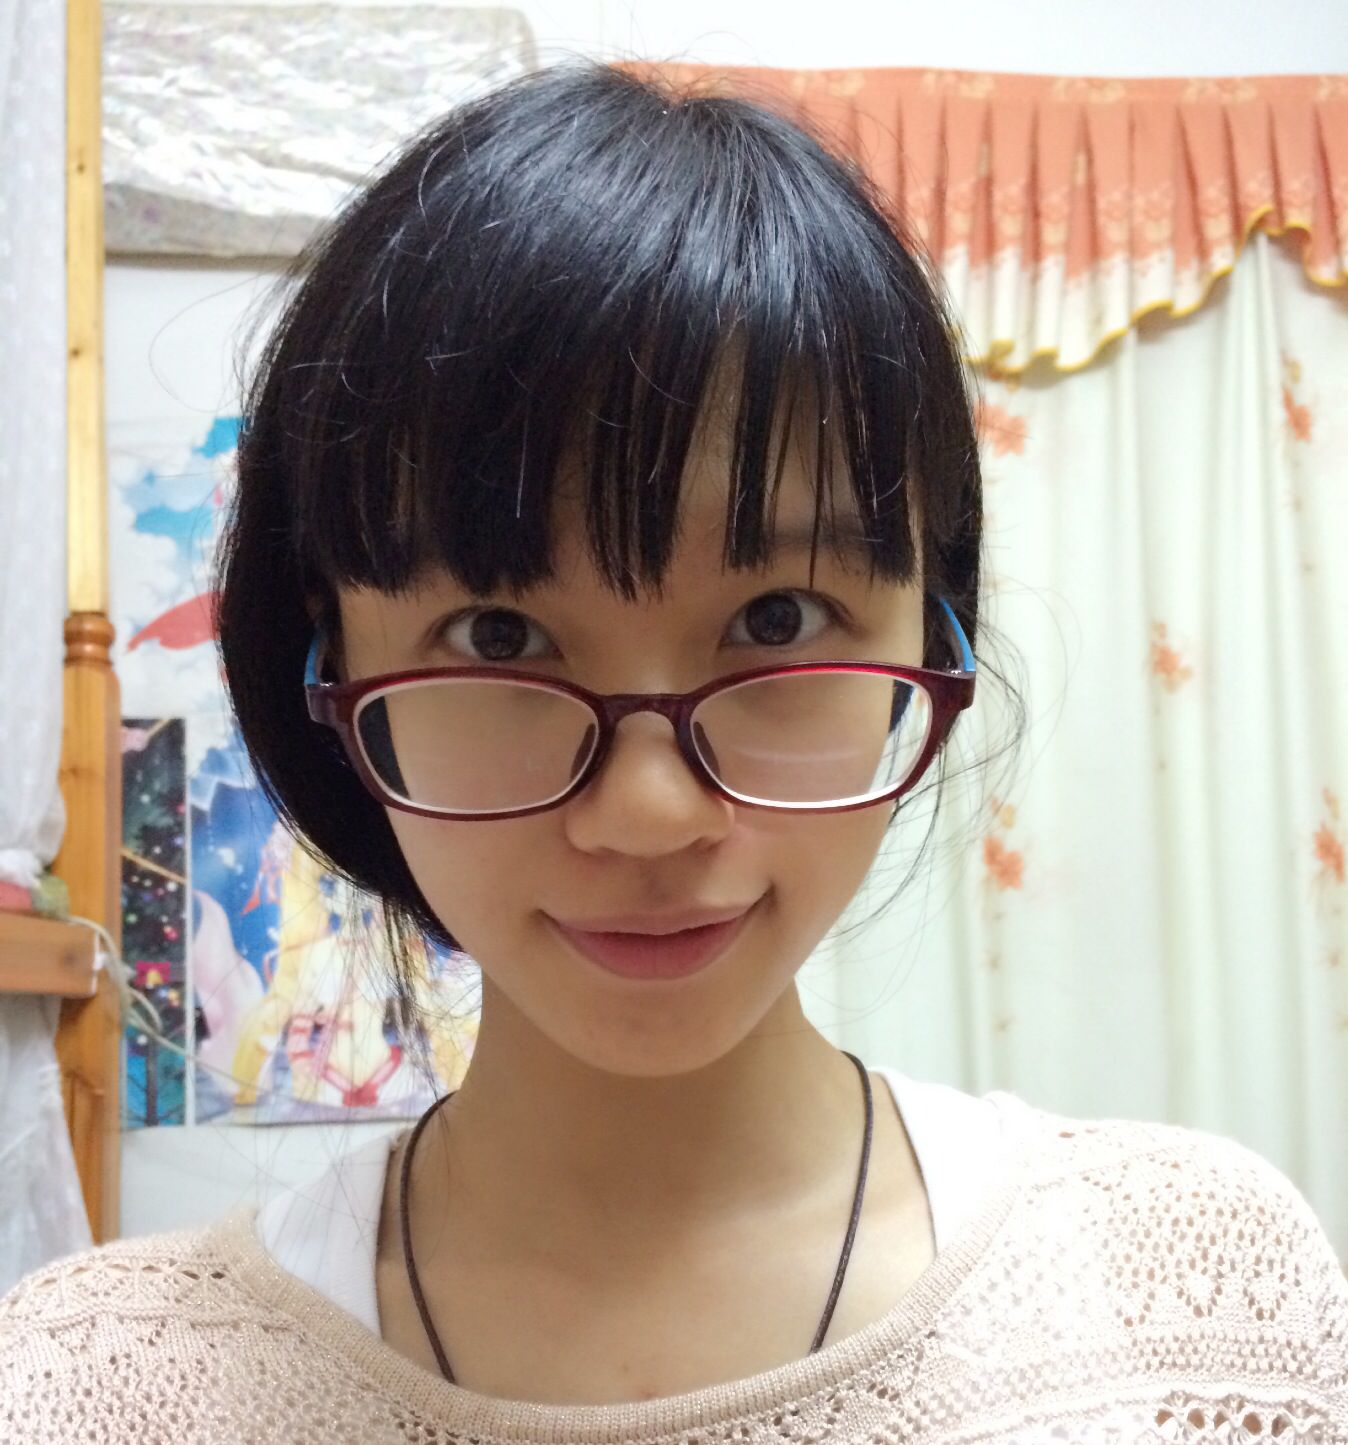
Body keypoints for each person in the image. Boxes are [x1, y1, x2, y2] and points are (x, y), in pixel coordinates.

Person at [2, 58, 1345, 1443]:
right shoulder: (95, 1391)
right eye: (500, 635)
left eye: (777, 618)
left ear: (931, 638)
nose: (649, 814)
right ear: (329, 673)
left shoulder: (1203, 1313)